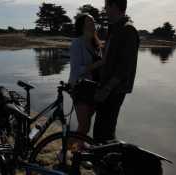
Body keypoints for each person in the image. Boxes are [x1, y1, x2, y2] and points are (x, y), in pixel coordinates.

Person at [94, 0, 140, 144]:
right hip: (108, 88)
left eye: (106, 7)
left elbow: (126, 67)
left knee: (103, 133)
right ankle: (109, 161)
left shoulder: (127, 30)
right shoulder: (117, 29)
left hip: (113, 89)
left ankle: (107, 164)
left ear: (114, 6)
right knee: (105, 130)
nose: (105, 11)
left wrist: (107, 87)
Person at [64, 13, 105, 167]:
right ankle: (63, 149)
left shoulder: (97, 44)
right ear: (82, 25)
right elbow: (77, 69)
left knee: (83, 127)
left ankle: (79, 155)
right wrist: (101, 62)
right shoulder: (76, 43)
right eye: (90, 20)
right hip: (80, 88)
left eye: (94, 20)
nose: (93, 22)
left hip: (94, 89)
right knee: (85, 128)